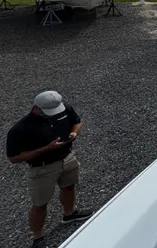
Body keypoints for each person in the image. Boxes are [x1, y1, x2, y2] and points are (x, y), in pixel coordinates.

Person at [6, 91, 93, 248]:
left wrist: (74, 132)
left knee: (69, 186)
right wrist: (46, 149)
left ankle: (69, 213)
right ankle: (37, 237)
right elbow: (13, 158)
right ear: (36, 109)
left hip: (67, 158)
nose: (54, 114)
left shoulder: (64, 109)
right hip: (42, 169)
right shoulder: (20, 129)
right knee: (40, 204)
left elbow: (77, 122)